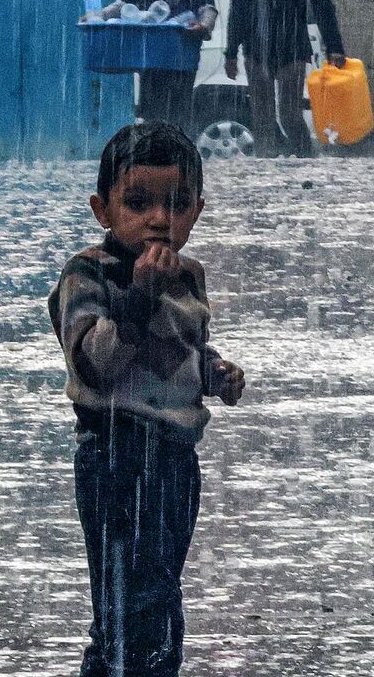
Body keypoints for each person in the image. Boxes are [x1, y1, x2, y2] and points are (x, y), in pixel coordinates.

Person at [47, 122, 246, 677]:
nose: (159, 218)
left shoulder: (189, 276)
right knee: (125, 611)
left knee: (159, 598)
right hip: (116, 456)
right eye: (138, 203)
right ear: (102, 210)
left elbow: (184, 350)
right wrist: (137, 299)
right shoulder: (88, 274)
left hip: (175, 462)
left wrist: (215, 374)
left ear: (197, 211)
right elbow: (93, 363)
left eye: (176, 203)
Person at [223, 0, 346, 157]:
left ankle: (306, 160)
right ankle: (265, 171)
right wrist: (231, 51)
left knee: (290, 115)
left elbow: (321, 1)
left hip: (292, 47)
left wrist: (335, 46)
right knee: (262, 118)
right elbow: (238, 4)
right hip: (256, 48)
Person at [117, 0, 217, 137]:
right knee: (151, 118)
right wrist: (97, 16)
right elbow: (121, 5)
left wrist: (204, 26)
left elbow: (207, 8)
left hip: (182, 59)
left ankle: (178, 163)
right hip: (150, 61)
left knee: (178, 119)